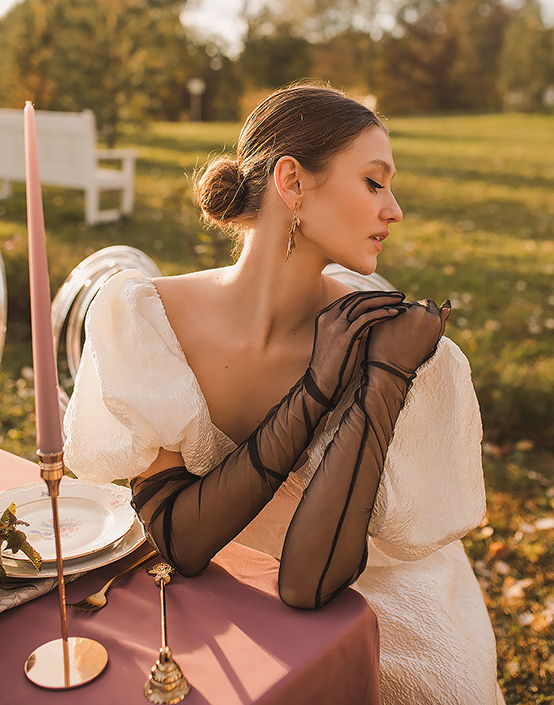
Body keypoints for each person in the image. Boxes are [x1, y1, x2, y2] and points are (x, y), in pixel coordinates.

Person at [65, 83, 504, 705]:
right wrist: (316, 388)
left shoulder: (381, 341)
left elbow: (312, 582)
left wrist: (382, 380)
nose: (395, 209)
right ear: (292, 183)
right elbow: (178, 540)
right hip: (215, 584)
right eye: (374, 182)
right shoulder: (146, 317)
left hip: (376, 591)